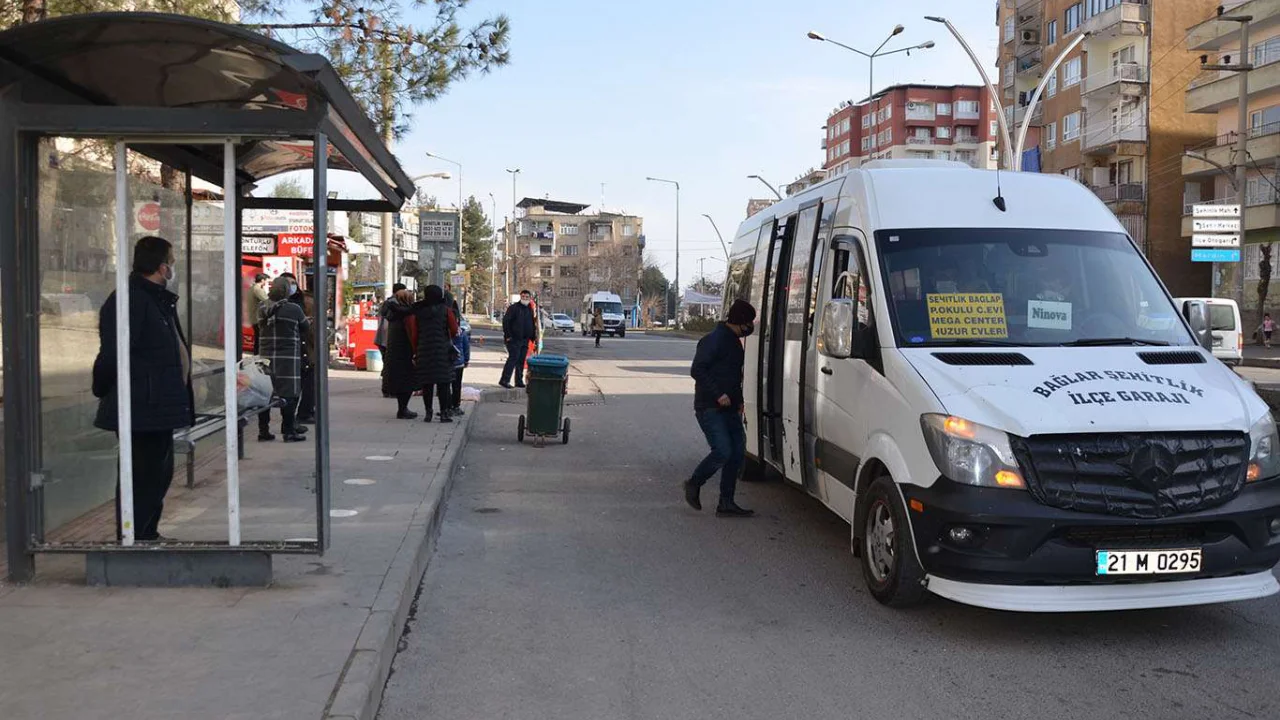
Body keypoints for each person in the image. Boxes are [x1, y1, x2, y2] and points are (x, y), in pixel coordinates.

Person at [92, 236, 193, 542]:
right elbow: (114, 353)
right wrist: (102, 388)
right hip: (140, 404)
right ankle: (133, 536)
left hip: (156, 404)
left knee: (158, 474)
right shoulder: (131, 299)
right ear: (162, 267)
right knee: (141, 474)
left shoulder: (155, 298)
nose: (173, 267)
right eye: (172, 262)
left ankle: (146, 532)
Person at [684, 299, 757, 518]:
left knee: (736, 452)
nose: (750, 327)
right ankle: (694, 483)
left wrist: (739, 401)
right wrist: (718, 394)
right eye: (748, 322)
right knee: (723, 451)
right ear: (740, 321)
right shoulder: (713, 340)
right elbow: (697, 369)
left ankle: (726, 503)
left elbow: (735, 377)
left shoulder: (734, 342)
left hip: (730, 407)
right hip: (709, 407)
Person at [257, 276, 310, 442]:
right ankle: (288, 431)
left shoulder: (262, 307)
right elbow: (305, 327)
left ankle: (263, 431)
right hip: (287, 358)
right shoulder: (293, 309)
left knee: (264, 393)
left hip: (265, 356)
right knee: (289, 394)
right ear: (286, 291)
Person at [413, 284, 459, 422]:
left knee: (427, 383)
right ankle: (444, 412)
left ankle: (428, 412)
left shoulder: (419, 311)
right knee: (443, 383)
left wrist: (417, 349)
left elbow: (415, 333)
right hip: (442, 350)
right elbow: (454, 329)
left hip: (424, 349)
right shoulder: (445, 310)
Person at [381, 288, 419, 418]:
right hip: (405, 352)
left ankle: (402, 408)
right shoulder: (407, 315)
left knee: (398, 381)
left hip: (393, 352)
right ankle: (403, 409)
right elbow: (412, 334)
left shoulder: (392, 315)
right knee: (407, 382)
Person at [499, 289, 537, 389]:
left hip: (525, 339)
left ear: (530, 298)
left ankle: (519, 381)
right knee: (513, 359)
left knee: (521, 360)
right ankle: (504, 380)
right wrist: (508, 336)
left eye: (527, 297)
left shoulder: (529, 309)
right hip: (514, 339)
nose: (525, 298)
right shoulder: (514, 308)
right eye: (523, 297)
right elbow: (506, 322)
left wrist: (533, 337)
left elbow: (532, 323)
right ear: (520, 297)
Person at [448, 316, 471, 418]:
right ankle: (456, 406)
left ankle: (447, 407)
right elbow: (466, 347)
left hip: (447, 363)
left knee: (446, 386)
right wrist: (466, 360)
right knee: (456, 386)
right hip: (459, 363)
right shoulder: (461, 332)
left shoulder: (446, 332)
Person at [250, 272, 270, 353]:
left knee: (257, 338)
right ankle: (258, 355)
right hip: (258, 317)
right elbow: (267, 302)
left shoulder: (252, 288)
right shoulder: (258, 290)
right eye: (266, 281)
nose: (266, 283)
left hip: (253, 316)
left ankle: (256, 354)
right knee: (260, 339)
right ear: (262, 280)